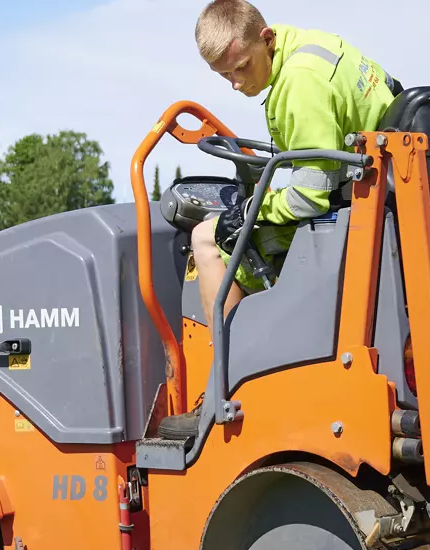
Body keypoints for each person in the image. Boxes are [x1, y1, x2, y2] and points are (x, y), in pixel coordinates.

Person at [159, 0, 401, 438]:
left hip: (351, 218)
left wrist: (251, 210)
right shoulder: (316, 48)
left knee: (207, 238)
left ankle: (230, 384)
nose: (235, 84)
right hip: (380, 200)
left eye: (242, 68)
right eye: (224, 76)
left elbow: (308, 199)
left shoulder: (299, 84)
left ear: (266, 38)